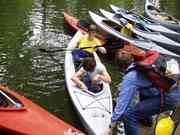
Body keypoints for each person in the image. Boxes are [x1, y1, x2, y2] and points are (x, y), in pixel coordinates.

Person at [107, 50, 180, 135]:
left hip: (170, 97)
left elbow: (122, 104)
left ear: (120, 67)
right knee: (144, 92)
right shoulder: (142, 64)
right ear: (132, 59)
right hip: (174, 87)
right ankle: (147, 121)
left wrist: (112, 125)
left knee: (129, 116)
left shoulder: (130, 78)